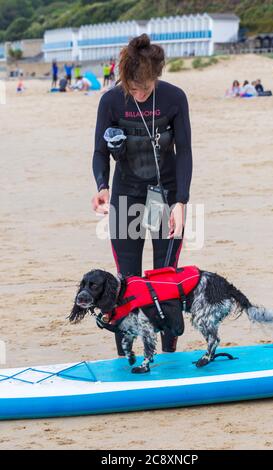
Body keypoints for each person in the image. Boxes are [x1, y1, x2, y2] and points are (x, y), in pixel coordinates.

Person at [92, 34, 193, 357]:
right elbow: (98, 152)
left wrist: (181, 202)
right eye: (133, 88)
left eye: (146, 88)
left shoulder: (174, 99)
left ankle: (168, 355)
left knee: (165, 281)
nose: (139, 93)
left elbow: (185, 152)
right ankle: (127, 355)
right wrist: (102, 188)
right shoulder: (110, 101)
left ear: (157, 76)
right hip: (125, 195)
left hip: (164, 196)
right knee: (128, 282)